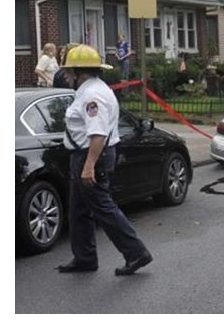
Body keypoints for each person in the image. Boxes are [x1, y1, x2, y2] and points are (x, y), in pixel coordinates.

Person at [55, 44, 153, 275]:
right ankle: (84, 258)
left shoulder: (92, 95)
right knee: (79, 210)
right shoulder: (92, 89)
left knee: (103, 207)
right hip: (86, 154)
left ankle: (136, 252)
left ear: (80, 72)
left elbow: (97, 133)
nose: (67, 76)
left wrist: (89, 165)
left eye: (69, 72)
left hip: (91, 155)